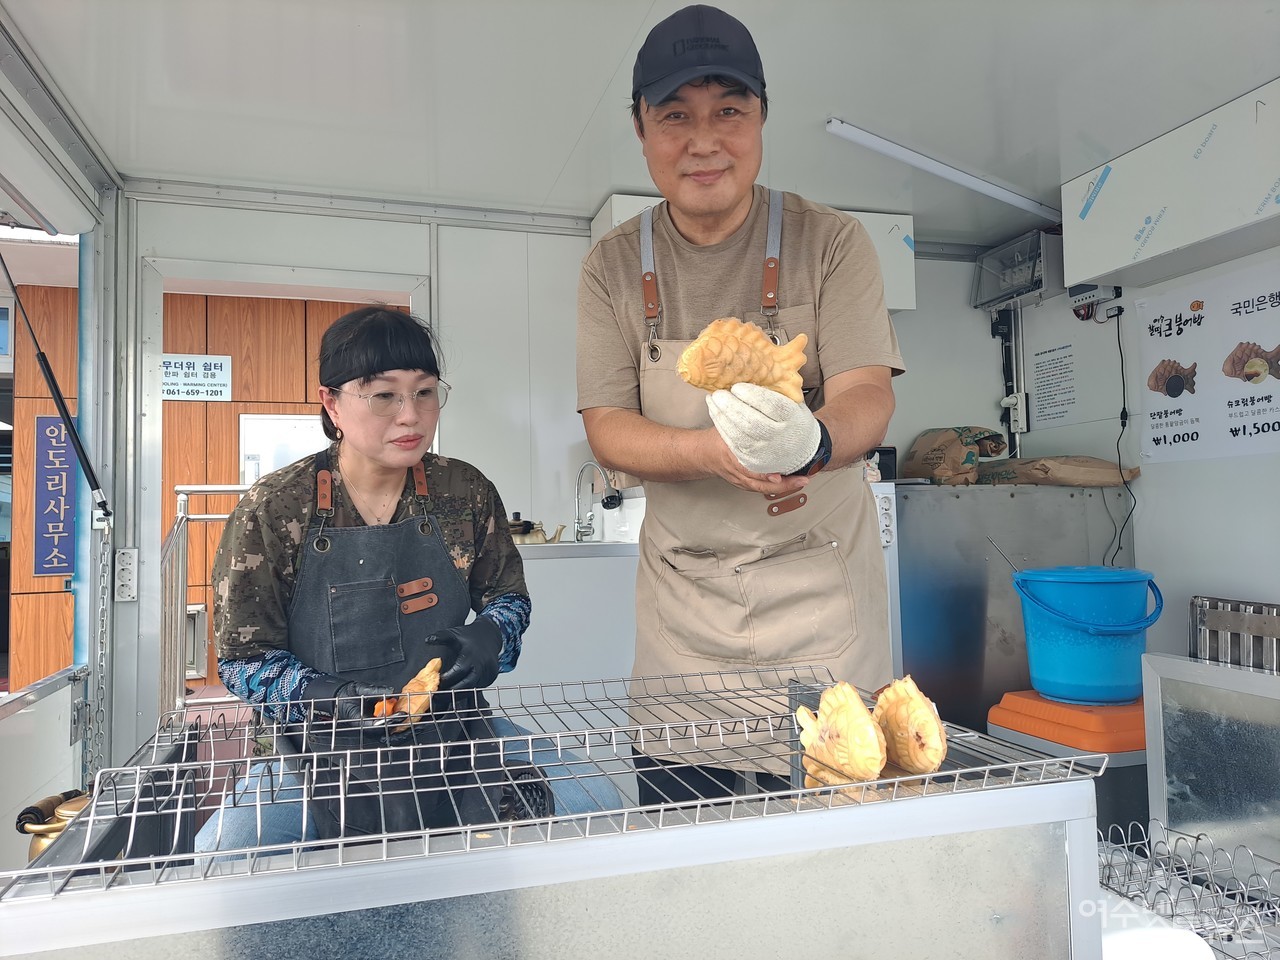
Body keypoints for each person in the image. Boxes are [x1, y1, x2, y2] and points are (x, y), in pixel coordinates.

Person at [577, 5, 905, 803]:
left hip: (824, 617)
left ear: (761, 118)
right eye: (675, 115)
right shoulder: (610, 269)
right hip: (684, 634)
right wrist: (709, 454)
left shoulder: (832, 243)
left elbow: (868, 394)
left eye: (729, 110)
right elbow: (608, 428)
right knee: (692, 857)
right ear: (640, 127)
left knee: (837, 857)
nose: (704, 141)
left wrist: (812, 443)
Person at [195, 306, 614, 853]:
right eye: (384, 395)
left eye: (424, 392)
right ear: (332, 403)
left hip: (451, 731)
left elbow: (507, 597)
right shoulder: (275, 509)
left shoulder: (463, 492)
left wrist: (491, 635)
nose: (410, 416)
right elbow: (242, 660)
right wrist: (330, 696)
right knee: (224, 854)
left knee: (594, 801)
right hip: (316, 745)